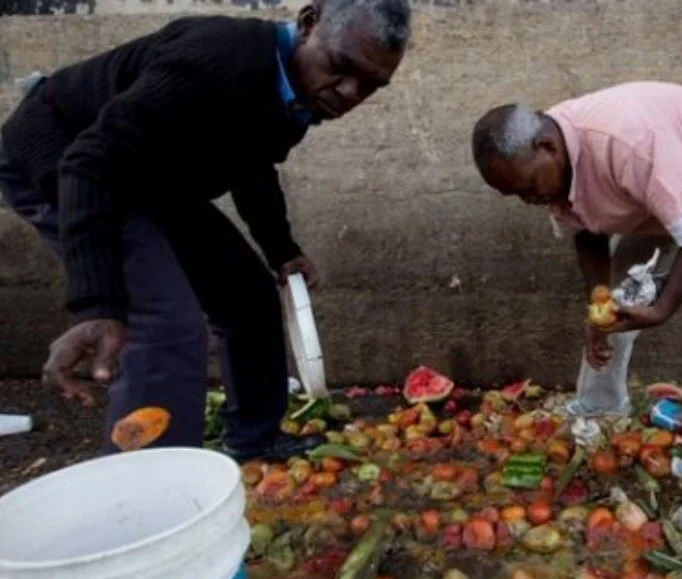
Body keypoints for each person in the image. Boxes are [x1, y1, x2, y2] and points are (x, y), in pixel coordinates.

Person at [0, 0, 412, 462]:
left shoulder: (294, 91)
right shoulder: (216, 59)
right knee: (165, 323)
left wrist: (280, 249)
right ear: (309, 23)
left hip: (153, 177)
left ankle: (253, 441)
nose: (349, 93)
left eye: (371, 86)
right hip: (66, 159)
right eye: (341, 67)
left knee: (248, 295)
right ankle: (155, 490)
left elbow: (252, 163)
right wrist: (96, 302)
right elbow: (88, 163)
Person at [471, 81, 682, 531]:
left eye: (526, 188)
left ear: (547, 146)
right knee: (619, 292)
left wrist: (663, 307)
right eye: (515, 196)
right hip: (671, 189)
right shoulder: (553, 160)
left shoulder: (624, 140)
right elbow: (588, 231)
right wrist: (596, 309)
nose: (528, 200)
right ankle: (602, 405)